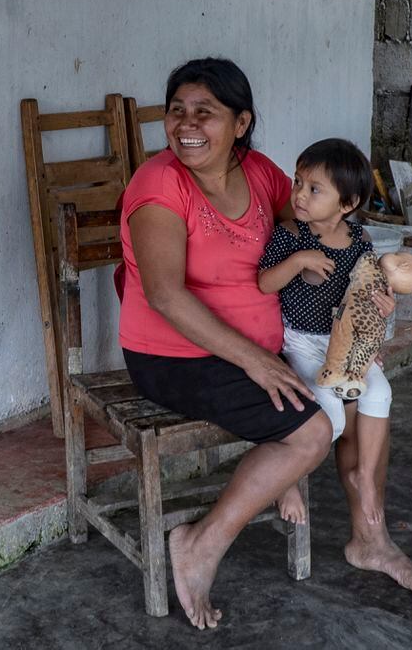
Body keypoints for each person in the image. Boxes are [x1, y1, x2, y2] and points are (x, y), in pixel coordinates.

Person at [119, 57, 392, 629]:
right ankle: (199, 545)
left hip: (267, 350)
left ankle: (370, 537)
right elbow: (166, 296)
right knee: (310, 429)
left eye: (205, 112)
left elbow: (323, 233)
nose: (186, 124)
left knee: (365, 392)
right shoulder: (159, 184)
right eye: (176, 111)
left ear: (241, 123)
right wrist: (257, 361)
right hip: (177, 356)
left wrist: (364, 308)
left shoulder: (263, 174)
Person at [257, 138, 412, 594]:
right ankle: (286, 482)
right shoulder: (289, 237)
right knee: (330, 417)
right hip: (301, 344)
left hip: (344, 343)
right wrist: (297, 262)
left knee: (381, 392)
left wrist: (382, 310)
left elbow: (370, 293)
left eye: (315, 189)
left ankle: (365, 481)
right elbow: (263, 283)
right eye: (298, 182)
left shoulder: (360, 241)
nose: (299, 195)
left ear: (348, 204)